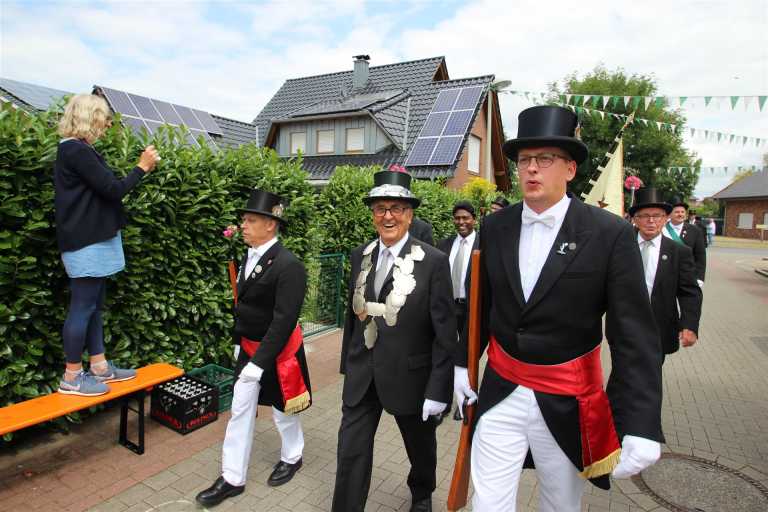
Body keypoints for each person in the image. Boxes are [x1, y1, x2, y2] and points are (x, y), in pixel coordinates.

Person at [453, 105, 663, 511]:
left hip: (568, 401)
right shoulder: (495, 226)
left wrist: (641, 423)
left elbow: (633, 334)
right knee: (487, 504)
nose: (532, 168)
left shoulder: (609, 234)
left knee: (560, 504)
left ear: (570, 169)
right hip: (500, 391)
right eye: (524, 159)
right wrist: (463, 363)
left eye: (545, 158)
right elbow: (480, 304)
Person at [332, 167, 455, 512]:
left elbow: (445, 333)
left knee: (420, 448)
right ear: (372, 214)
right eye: (380, 208)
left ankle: (422, 493)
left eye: (396, 208)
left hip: (410, 376)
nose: (388, 216)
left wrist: (438, 389)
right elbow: (353, 317)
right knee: (350, 450)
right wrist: (348, 366)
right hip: (363, 375)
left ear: (410, 214)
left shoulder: (433, 262)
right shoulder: (360, 255)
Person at [196, 189, 312, 508]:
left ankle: (292, 456)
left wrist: (259, 363)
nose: (243, 226)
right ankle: (233, 478)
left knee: (282, 411)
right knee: (240, 411)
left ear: (270, 225)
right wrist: (239, 344)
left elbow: (284, 320)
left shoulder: (289, 265)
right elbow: (243, 308)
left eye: (250, 220)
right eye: (244, 220)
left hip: (279, 352)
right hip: (249, 348)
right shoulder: (248, 256)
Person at [54, 93, 159, 397]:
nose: (107, 124)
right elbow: (113, 189)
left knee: (93, 306)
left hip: (93, 238)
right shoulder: (76, 150)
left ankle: (99, 366)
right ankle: (72, 377)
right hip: (86, 241)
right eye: (103, 118)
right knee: (82, 307)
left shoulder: (79, 149)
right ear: (89, 118)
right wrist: (141, 167)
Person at [629, 188, 702, 363]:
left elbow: (689, 292)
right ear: (635, 219)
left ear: (665, 219)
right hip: (625, 327)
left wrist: (689, 325)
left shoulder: (679, 252)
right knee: (623, 374)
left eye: (657, 215)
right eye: (644, 216)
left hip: (659, 328)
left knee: (652, 372)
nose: (651, 221)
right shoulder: (621, 246)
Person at [437, 200, 479, 423]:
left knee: (468, 355)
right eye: (457, 218)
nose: (461, 222)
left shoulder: (483, 244)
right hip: (447, 307)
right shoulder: (444, 245)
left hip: (470, 308)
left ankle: (464, 401)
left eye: (466, 218)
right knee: (444, 353)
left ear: (474, 220)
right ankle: (442, 401)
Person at [664, 198, 707, 286]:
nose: (680, 214)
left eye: (682, 212)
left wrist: (699, 277)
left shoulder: (695, 231)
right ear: (669, 214)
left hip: (687, 274)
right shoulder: (661, 229)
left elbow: (700, 255)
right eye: (677, 212)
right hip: (665, 274)